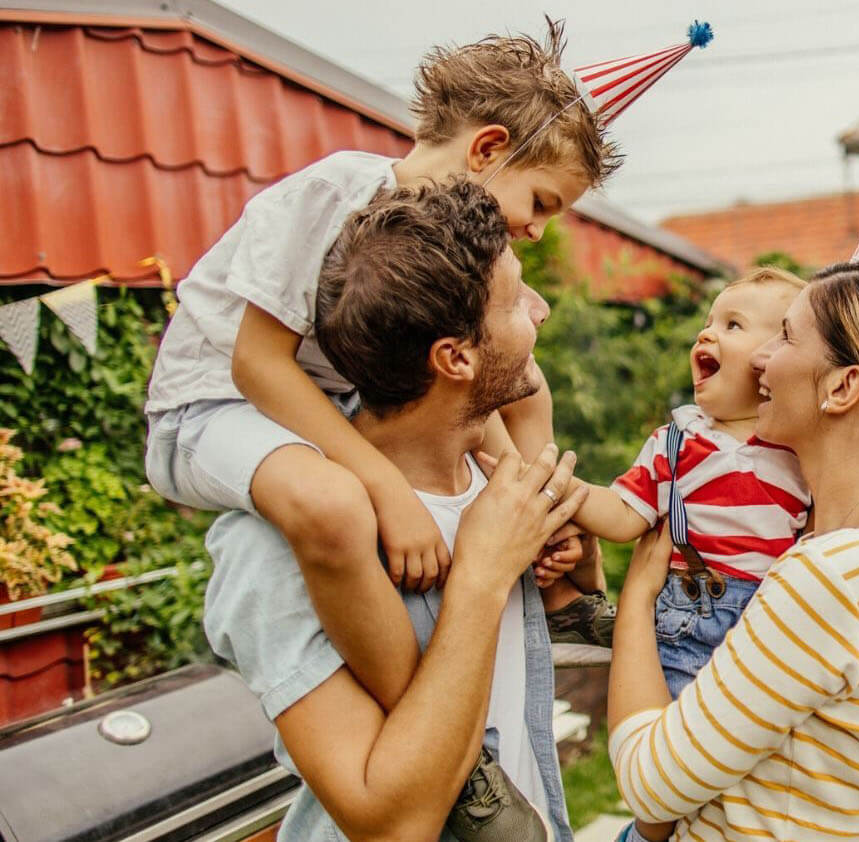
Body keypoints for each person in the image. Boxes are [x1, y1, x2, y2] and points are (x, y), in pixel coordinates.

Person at [146, 22, 619, 830]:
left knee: (507, 412)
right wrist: (381, 492)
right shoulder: (339, 193)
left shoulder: (435, 262)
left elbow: (479, 402)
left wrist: (533, 504)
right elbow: (257, 365)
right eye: (540, 203)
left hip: (311, 413)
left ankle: (493, 696)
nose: (538, 231)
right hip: (209, 408)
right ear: (487, 149)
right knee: (332, 507)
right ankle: (454, 756)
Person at [204, 179, 587, 841]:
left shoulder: (498, 486)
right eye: (517, 298)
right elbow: (392, 824)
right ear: (456, 357)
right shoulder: (282, 543)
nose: (541, 309)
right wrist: (482, 575)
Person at [606, 260, 859, 841]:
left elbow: (649, 784)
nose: (760, 359)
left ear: (841, 387)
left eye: (784, 335)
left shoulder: (830, 579)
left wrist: (637, 598)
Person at [564, 267, 811, 842]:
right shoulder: (676, 442)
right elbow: (625, 516)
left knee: (744, 770)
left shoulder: (797, 447)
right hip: (686, 620)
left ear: (776, 356)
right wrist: (560, 491)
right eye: (706, 325)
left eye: (732, 324)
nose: (705, 336)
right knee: (665, 775)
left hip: (766, 629)